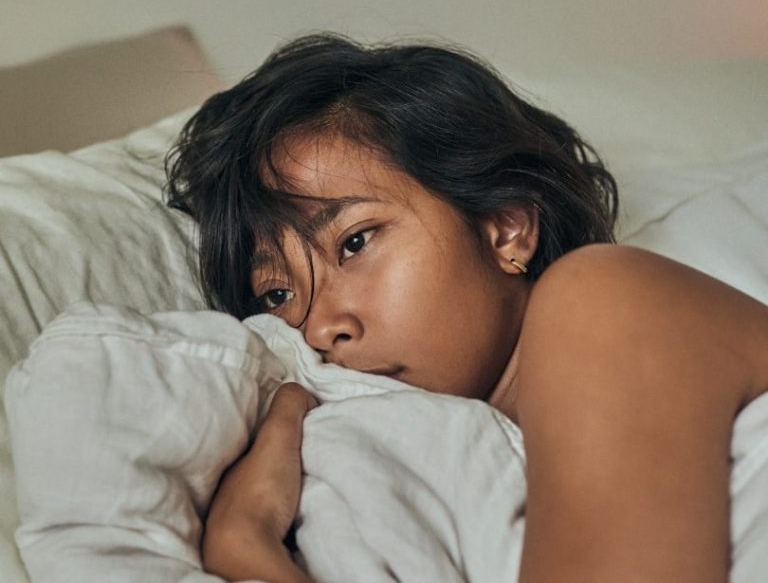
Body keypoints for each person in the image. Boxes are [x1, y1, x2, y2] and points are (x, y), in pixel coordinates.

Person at [165, 34, 768, 583]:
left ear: (505, 227)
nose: (320, 328)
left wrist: (245, 545)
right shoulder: (432, 473)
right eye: (278, 295)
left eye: (355, 241)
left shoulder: (604, 297)